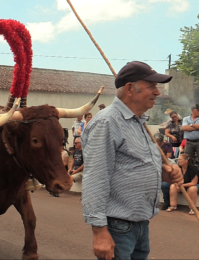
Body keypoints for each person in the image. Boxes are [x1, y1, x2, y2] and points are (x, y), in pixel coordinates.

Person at [81, 61, 183, 260]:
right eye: (152, 86)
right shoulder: (107, 122)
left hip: (140, 224)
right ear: (129, 89)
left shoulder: (139, 121)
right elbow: (96, 178)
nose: (157, 92)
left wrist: (165, 172)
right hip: (118, 226)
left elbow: (135, 165)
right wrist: (99, 232)